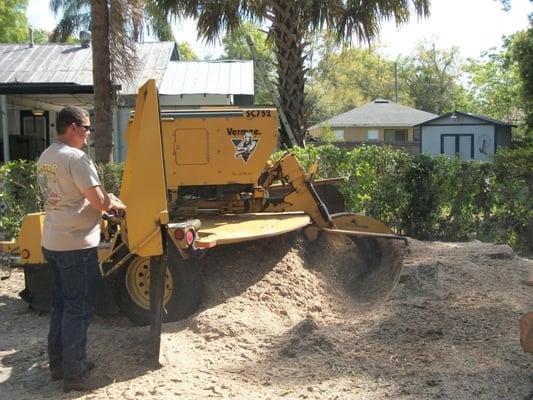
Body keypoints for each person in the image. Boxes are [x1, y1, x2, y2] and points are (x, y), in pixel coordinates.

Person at [36, 106, 126, 392]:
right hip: (76, 246)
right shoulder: (76, 159)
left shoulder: (46, 157)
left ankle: (59, 365)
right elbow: (99, 201)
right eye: (86, 128)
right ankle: (75, 375)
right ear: (72, 128)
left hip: (53, 241)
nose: (88, 135)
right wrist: (113, 201)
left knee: (60, 306)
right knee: (79, 309)